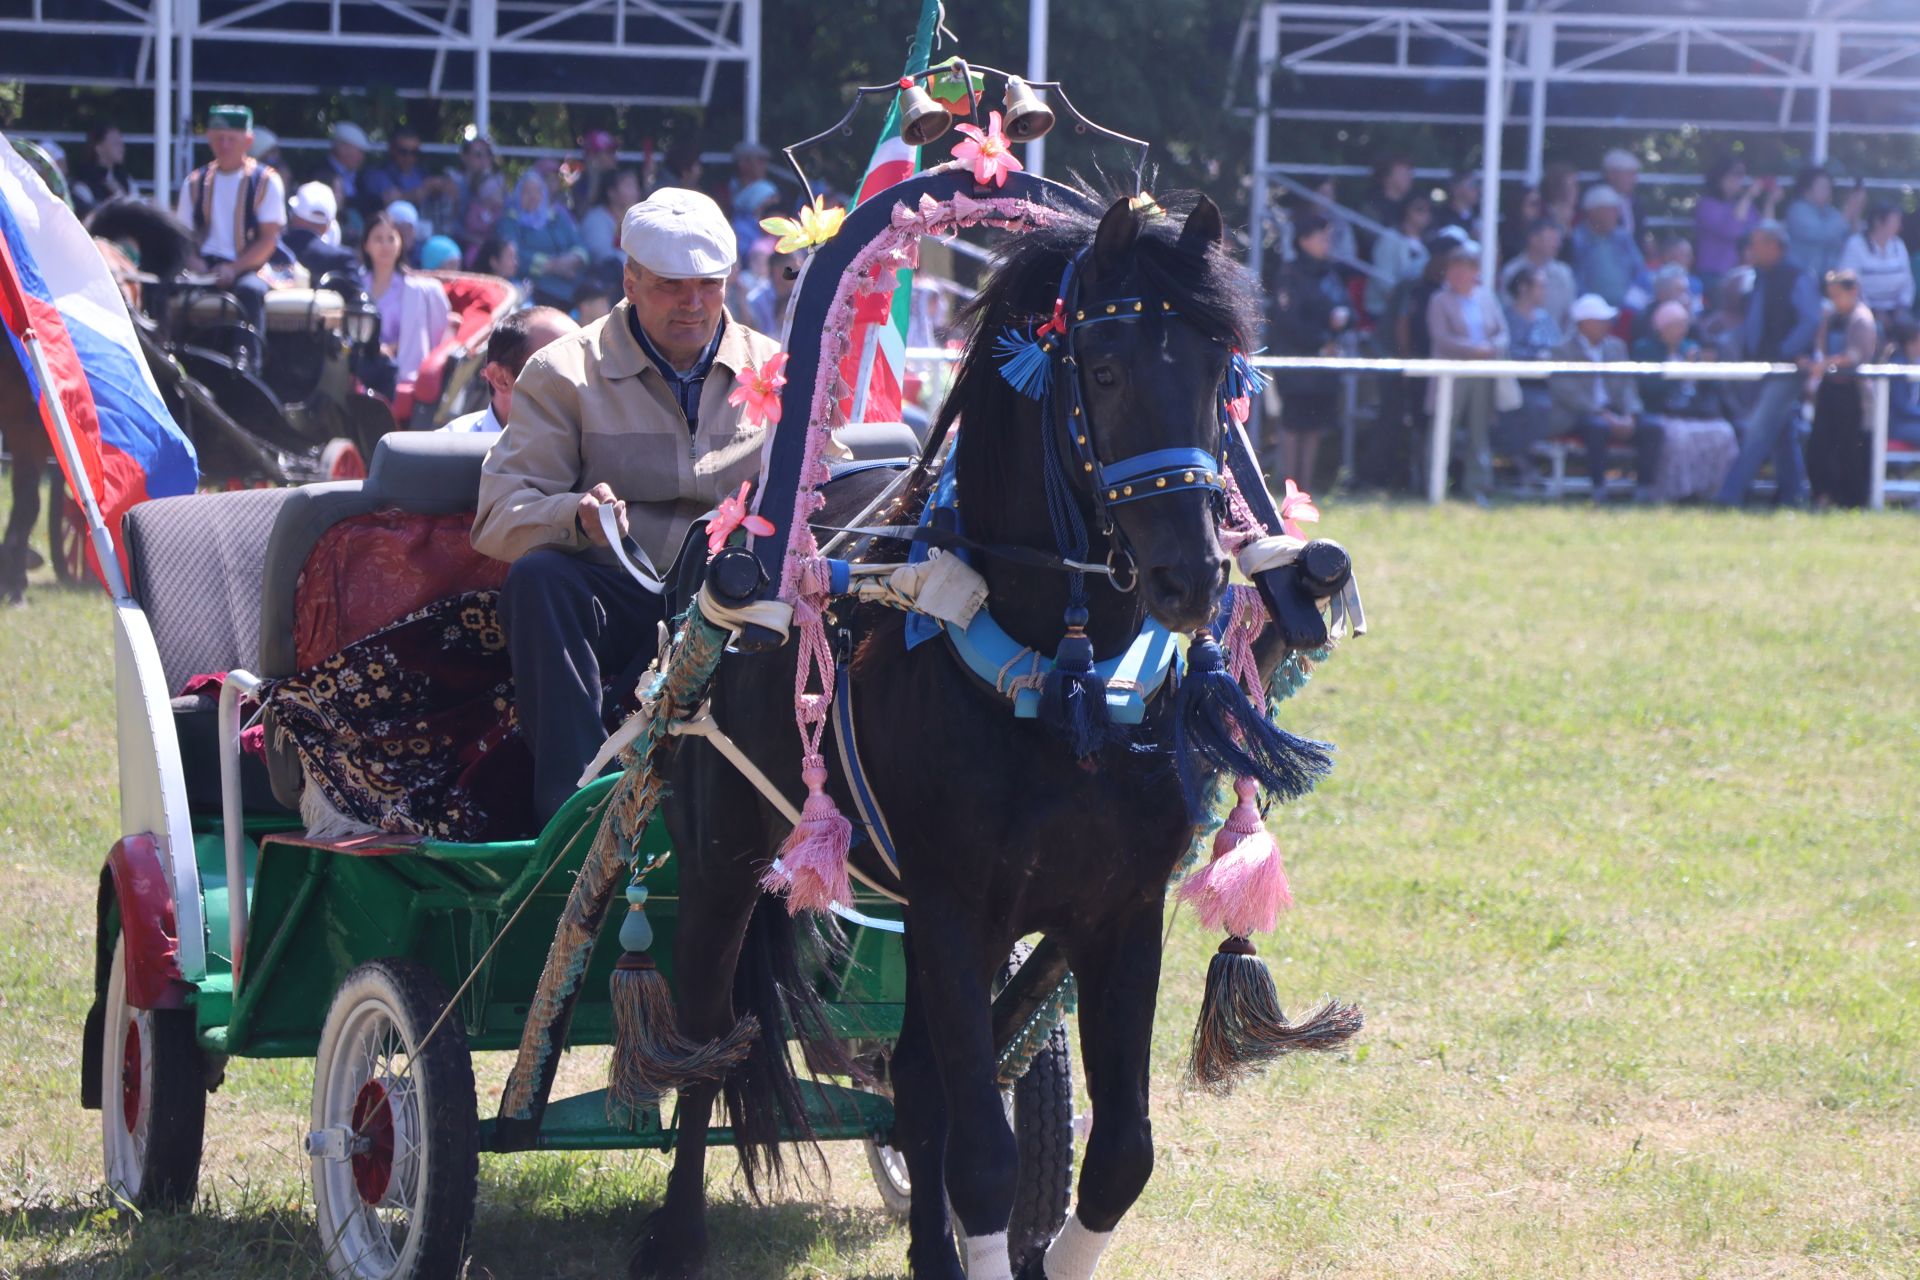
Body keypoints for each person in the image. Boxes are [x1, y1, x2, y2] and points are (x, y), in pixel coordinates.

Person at [471, 187, 782, 822]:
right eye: (672, 286)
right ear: (631, 282)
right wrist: (576, 516)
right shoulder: (563, 372)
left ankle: (824, 816)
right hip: (620, 593)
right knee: (540, 579)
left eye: (709, 285)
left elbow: (825, 484)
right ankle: (577, 811)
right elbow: (498, 516)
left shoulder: (772, 367)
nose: (693, 305)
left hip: (739, 595)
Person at [174, 104, 285, 368]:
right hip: (205, 264)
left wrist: (234, 269)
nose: (224, 145)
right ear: (209, 138)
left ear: (247, 141)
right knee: (171, 288)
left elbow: (268, 240)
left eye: (231, 139)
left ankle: (248, 362)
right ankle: (178, 358)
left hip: (251, 266)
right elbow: (182, 238)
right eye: (218, 137)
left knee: (249, 291)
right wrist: (198, 264)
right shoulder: (195, 183)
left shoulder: (266, 181)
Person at [1715, 221, 1817, 507]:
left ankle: (1728, 497)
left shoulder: (1797, 276)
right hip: (1763, 366)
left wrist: (1786, 351)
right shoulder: (1761, 276)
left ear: (1774, 245)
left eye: (1756, 244)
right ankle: (1794, 496)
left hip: (1785, 368)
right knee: (1781, 431)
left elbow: (1810, 320)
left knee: (1758, 430)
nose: (1751, 250)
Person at [1547, 294, 1661, 502]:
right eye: (1601, 320)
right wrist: (1602, 414)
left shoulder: (1616, 347)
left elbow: (1627, 385)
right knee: (1597, 428)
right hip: (1578, 414)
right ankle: (1598, 488)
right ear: (1584, 323)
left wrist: (1631, 415)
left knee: (1652, 427)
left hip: (1614, 410)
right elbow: (1567, 392)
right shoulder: (1561, 350)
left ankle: (1645, 488)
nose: (1607, 325)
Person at [1267, 211, 1351, 489]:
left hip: (1325, 363)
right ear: (1303, 240)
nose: (1327, 242)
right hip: (1296, 361)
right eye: (1321, 237)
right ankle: (1289, 483)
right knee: (1293, 422)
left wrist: (1344, 318)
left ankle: (1307, 485)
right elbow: (1287, 319)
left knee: (1315, 422)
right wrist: (1319, 340)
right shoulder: (1288, 275)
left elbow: (1346, 308)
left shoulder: (1331, 273)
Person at [1426, 244, 1510, 501]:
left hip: (1481, 375)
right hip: (1450, 376)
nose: (1459, 275)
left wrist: (1491, 348)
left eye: (1465, 269)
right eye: (1454, 269)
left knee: (1478, 431)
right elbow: (1440, 337)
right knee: (1443, 429)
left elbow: (1502, 333)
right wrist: (1473, 350)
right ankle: (1433, 484)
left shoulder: (1486, 297)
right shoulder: (1439, 300)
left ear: (1475, 272)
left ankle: (1477, 487)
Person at [1631, 300, 1737, 501]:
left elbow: (1710, 388)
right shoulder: (1645, 349)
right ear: (1663, 327)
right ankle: (1674, 492)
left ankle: (1712, 492)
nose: (1682, 330)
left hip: (1694, 412)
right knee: (1677, 439)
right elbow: (1649, 389)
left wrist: (1706, 369)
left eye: (1684, 325)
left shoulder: (1691, 348)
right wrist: (1679, 371)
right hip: (1662, 411)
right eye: (1677, 325)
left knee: (1723, 433)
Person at [1804, 269, 1878, 507]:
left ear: (1853, 292)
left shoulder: (1861, 319)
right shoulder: (1831, 317)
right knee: (1820, 444)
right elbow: (1820, 346)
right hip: (1829, 391)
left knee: (1850, 448)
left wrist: (1825, 363)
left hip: (1853, 394)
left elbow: (1855, 356)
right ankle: (1824, 495)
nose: (1834, 300)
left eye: (1838, 295)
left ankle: (1851, 499)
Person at [442, 307, 581, 433]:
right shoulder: (444, 453)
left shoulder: (593, 452)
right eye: (560, 369)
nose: (581, 384)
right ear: (501, 379)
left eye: (586, 368)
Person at [360, 210, 451, 394]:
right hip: (363, 364)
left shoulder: (413, 290)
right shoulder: (358, 284)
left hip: (396, 368)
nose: (385, 246)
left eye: (391, 239)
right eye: (378, 239)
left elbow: (415, 336)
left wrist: (389, 349)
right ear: (366, 245)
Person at [501, 170, 588, 309]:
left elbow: (580, 246)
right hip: (536, 285)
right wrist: (552, 265)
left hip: (570, 280)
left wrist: (572, 260)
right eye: (526, 192)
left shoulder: (556, 218)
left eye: (537, 191)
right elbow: (512, 254)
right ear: (517, 195)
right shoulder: (509, 222)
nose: (533, 196)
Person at [1695, 158, 1778, 288]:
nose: (1739, 180)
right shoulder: (1706, 205)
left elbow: (1767, 230)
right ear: (1720, 177)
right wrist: (1748, 196)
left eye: (1742, 175)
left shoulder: (1743, 206)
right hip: (1715, 274)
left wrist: (1770, 201)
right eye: (1735, 174)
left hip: (1744, 273)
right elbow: (1732, 231)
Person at [1838, 203, 1913, 323]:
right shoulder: (1855, 245)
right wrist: (1873, 311)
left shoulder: (1899, 245)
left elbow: (1908, 283)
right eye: (1895, 221)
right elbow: (1848, 284)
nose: (1899, 226)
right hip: (1863, 310)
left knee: (1910, 328)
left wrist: (1902, 307)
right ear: (1878, 221)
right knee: (1872, 327)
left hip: (1897, 309)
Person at [1500, 216, 1576, 333]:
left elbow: (1569, 316)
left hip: (1555, 344)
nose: (1556, 245)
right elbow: (1506, 310)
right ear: (1533, 239)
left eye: (1557, 240)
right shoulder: (1512, 271)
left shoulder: (1564, 273)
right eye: (1551, 239)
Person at [1570, 186, 1640, 309]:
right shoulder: (1577, 239)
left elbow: (1639, 269)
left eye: (1616, 210)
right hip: (1592, 309)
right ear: (1592, 212)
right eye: (1609, 210)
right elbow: (1575, 280)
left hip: (1627, 307)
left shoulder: (1623, 238)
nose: (1616, 215)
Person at [1367, 193, 1432, 319]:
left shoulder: (1426, 243)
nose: (1425, 214)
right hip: (1386, 310)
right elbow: (1383, 280)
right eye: (1419, 209)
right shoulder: (1390, 238)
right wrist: (1402, 305)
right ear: (1406, 210)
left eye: (1427, 210)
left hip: (1414, 308)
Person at [1784, 167, 1854, 282]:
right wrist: (1847, 213)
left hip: (1829, 279)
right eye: (1822, 187)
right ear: (1807, 189)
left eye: (1828, 187)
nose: (1827, 191)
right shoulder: (1797, 211)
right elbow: (1822, 234)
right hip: (1801, 278)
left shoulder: (1830, 212)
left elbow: (1847, 239)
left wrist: (1855, 212)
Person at [279, 182, 358, 278]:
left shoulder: (271, 248)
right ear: (327, 226)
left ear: (293, 216)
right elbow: (357, 292)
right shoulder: (342, 259)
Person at [580, 167, 642, 286]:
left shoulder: (639, 219)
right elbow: (603, 257)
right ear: (612, 193)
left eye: (635, 186)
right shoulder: (595, 219)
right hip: (606, 282)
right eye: (628, 186)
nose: (636, 191)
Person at [68, 123, 139, 215]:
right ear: (99, 148)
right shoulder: (83, 184)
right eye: (115, 143)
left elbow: (137, 212)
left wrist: (120, 194)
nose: (122, 148)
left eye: (121, 143)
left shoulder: (126, 180)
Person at [1357, 153, 1414, 252]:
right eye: (1402, 174)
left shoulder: (1414, 203)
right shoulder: (1372, 206)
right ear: (1387, 178)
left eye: (1408, 173)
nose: (1408, 177)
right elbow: (1372, 239)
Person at [1504, 267, 1562, 361]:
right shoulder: (1506, 319)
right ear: (1523, 287)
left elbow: (1557, 347)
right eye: (1540, 287)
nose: (1544, 292)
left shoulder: (1545, 319)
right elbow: (1507, 350)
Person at [1883, 320, 1920, 448]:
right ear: (1910, 344)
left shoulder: (1915, 363)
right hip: (1897, 425)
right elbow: (1902, 406)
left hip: (1912, 422)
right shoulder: (1897, 367)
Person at [322, 121, 372, 209]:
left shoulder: (358, 176)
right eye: (359, 152)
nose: (361, 158)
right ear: (342, 149)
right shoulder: (322, 173)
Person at [1600, 149, 1644, 243]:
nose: (1634, 179)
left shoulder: (1635, 201)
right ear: (1611, 175)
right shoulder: (1599, 202)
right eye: (1629, 174)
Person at [1437, 168, 1480, 237]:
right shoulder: (1442, 218)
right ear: (1456, 189)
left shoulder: (1478, 214)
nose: (1476, 189)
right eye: (1472, 184)